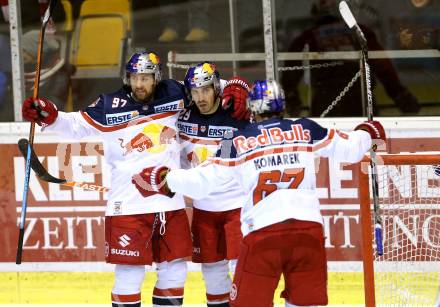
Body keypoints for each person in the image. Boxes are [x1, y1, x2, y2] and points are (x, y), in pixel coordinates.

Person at [21, 51, 250, 307]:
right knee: (129, 275)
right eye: (134, 77)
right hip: (128, 205)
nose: (140, 84)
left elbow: (206, 86)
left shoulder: (175, 93)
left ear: (157, 77)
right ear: (127, 78)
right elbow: (75, 125)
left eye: (146, 77)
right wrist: (49, 115)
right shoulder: (109, 105)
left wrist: (237, 85)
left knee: (175, 272)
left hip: (169, 205)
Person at [134, 79, 387, 306]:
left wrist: (166, 178)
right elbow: (353, 149)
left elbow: (202, 181)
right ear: (283, 105)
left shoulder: (235, 141)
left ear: (253, 108)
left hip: (264, 234)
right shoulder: (307, 128)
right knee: (305, 303)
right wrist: (369, 133)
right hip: (308, 232)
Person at [178, 62, 249, 306]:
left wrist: (238, 84)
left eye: (206, 90)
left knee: (243, 268)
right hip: (203, 209)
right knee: (212, 270)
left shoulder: (238, 114)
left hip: (237, 206)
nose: (200, 97)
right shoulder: (181, 115)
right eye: (195, 92)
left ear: (216, 88)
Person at [281, 0, 420, 117]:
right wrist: (399, 94)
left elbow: (290, 70)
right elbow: (382, 66)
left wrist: (291, 97)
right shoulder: (360, 32)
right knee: (369, 141)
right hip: (359, 97)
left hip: (326, 98)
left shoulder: (309, 35)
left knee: (324, 144)